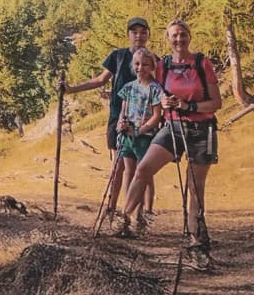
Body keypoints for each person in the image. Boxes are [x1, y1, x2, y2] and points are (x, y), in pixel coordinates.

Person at [119, 19, 222, 269]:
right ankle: (124, 220)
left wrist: (189, 106)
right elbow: (148, 85)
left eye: (183, 35)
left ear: (189, 36)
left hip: (201, 129)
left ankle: (195, 240)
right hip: (172, 127)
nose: (179, 40)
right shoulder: (163, 65)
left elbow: (216, 103)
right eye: (174, 36)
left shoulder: (201, 63)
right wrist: (163, 105)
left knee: (194, 187)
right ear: (168, 38)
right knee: (143, 169)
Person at [62, 16, 153, 221]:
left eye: (143, 32)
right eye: (134, 32)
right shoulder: (118, 56)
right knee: (118, 165)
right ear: (128, 35)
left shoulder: (152, 59)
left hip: (144, 122)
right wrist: (72, 89)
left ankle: (137, 214)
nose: (138, 35)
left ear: (148, 35)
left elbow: (159, 86)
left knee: (141, 167)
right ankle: (112, 211)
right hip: (117, 118)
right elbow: (101, 80)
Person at [112, 48, 163, 238]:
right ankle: (127, 213)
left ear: (152, 67)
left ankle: (141, 214)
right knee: (128, 172)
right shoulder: (128, 87)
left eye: (145, 64)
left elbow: (157, 116)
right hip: (127, 136)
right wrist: (120, 124)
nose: (141, 68)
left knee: (144, 174)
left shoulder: (155, 89)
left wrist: (141, 130)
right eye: (137, 64)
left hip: (145, 136)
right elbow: (123, 111)